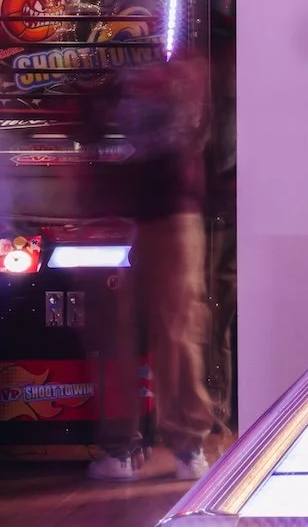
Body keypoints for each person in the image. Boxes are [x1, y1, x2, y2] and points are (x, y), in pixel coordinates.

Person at [88, 46, 215, 482]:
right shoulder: (184, 70)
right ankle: (181, 448)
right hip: (162, 213)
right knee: (170, 332)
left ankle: (135, 450)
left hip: (130, 213)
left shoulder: (170, 74)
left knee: (136, 335)